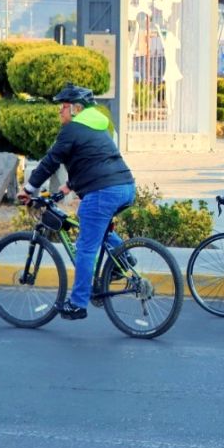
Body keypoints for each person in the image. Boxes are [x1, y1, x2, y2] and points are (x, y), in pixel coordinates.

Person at [17, 83, 135, 320]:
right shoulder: (98, 128)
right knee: (93, 225)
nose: (60, 111)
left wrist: (29, 188)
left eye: (63, 107)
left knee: (85, 247)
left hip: (103, 192)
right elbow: (93, 161)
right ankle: (122, 257)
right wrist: (68, 187)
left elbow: (51, 161)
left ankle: (78, 304)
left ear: (76, 109)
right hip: (125, 187)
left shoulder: (72, 130)